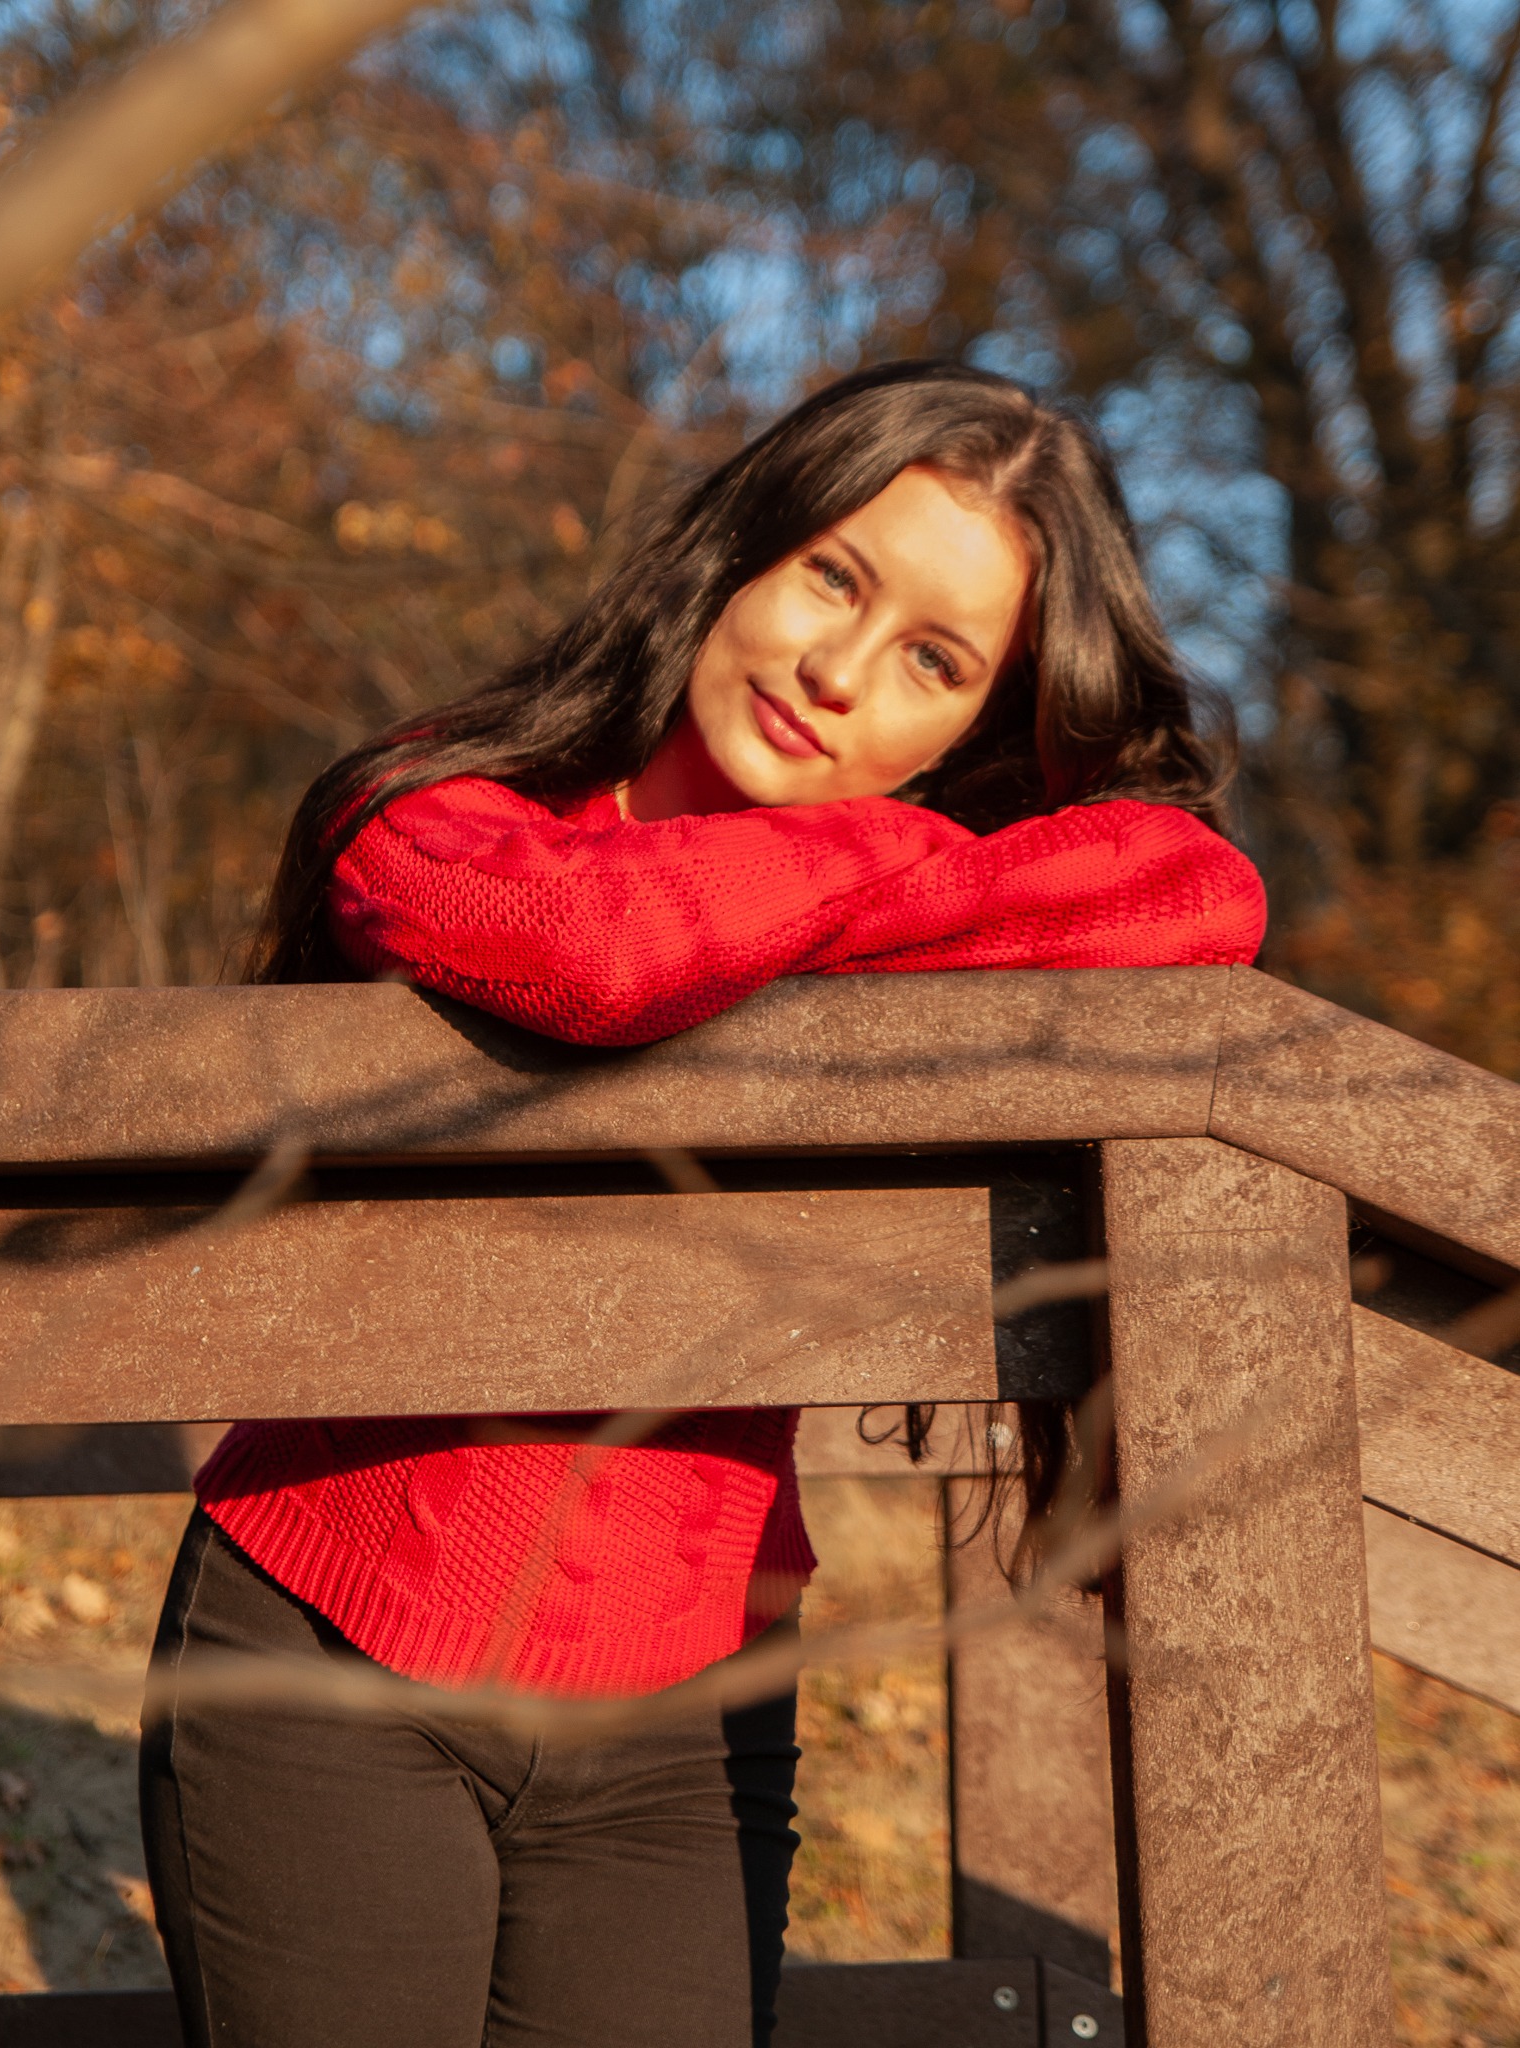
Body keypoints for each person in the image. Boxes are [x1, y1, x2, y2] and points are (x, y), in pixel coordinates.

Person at [139, 359, 1266, 2048]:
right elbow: (602, 951)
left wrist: (855, 876)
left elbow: (1201, 885)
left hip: (682, 1711)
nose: (836, 672)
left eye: (934, 662)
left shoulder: (898, 906)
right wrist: (898, 858)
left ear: (979, 725)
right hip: (328, 1651)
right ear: (738, 545)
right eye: (834, 574)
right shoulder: (440, 817)